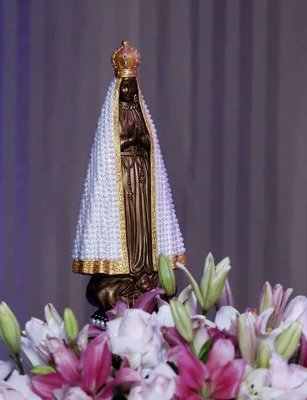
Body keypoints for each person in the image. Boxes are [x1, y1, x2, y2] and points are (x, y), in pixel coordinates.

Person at [72, 40, 186, 322]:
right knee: (107, 290)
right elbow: (111, 153)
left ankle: (143, 276)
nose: (127, 92)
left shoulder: (139, 117)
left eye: (131, 90)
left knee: (144, 236)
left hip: (142, 186)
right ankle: (128, 281)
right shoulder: (110, 125)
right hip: (122, 188)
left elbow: (147, 145)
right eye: (124, 89)